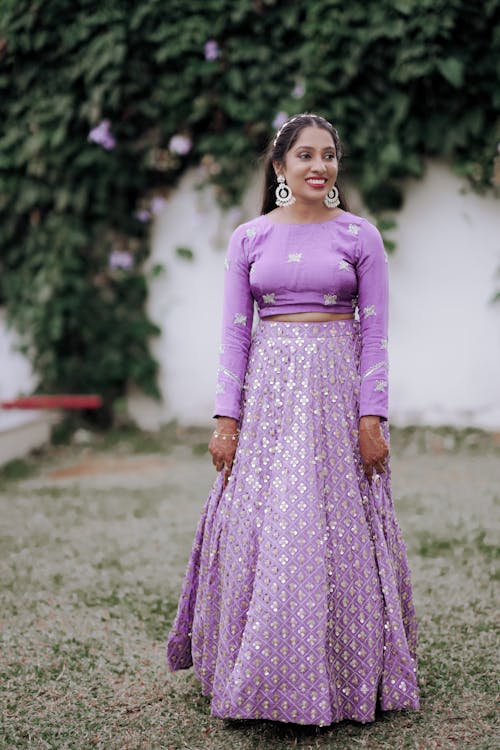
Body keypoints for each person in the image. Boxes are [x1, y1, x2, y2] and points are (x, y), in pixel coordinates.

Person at [166, 113, 420, 727]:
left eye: (328, 155)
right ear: (280, 167)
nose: (319, 166)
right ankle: (256, 675)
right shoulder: (249, 238)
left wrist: (372, 418)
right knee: (272, 528)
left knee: (333, 529)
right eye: (304, 155)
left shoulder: (360, 236)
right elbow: (233, 337)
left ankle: (345, 673)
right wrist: (227, 419)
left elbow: (377, 336)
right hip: (270, 408)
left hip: (337, 403)